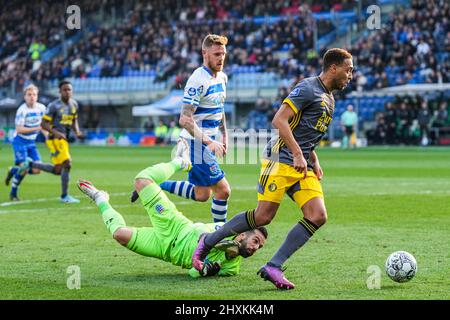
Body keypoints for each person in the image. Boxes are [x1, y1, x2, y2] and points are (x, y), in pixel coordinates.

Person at [192, 48, 354, 290]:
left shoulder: (329, 98)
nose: (351, 75)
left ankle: (273, 266)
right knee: (263, 217)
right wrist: (299, 154)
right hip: (280, 159)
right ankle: (207, 242)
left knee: (317, 216)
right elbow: (279, 120)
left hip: (302, 164)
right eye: (348, 69)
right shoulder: (308, 88)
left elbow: (305, 132)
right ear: (333, 67)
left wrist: (312, 158)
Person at [77, 158, 267, 277]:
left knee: (119, 234)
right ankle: (180, 162)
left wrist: (208, 271)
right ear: (242, 235)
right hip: (174, 226)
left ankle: (100, 198)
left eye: (259, 246)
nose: (256, 248)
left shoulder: (232, 268)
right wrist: (219, 247)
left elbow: (193, 273)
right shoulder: (220, 231)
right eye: (256, 241)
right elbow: (202, 238)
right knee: (142, 180)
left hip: (164, 250)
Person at [159, 34, 231, 223]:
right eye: (216, 54)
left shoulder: (222, 77)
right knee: (223, 191)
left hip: (209, 140)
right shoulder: (197, 80)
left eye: (223, 53)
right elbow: (185, 119)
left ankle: (157, 184)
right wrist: (209, 141)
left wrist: (225, 136)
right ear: (204, 53)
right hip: (195, 143)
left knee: (202, 194)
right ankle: (219, 234)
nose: (221, 58)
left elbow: (220, 109)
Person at [29, 80, 84, 203]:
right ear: (60, 91)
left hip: (63, 140)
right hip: (54, 139)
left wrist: (78, 132)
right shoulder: (54, 106)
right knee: (68, 163)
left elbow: (74, 120)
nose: (67, 92)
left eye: (69, 89)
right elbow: (43, 123)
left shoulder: (74, 104)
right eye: (64, 89)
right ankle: (64, 196)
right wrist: (56, 132)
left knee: (58, 170)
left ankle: (32, 165)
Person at [5, 84, 46, 201]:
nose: (32, 97)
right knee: (25, 169)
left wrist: (48, 137)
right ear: (25, 97)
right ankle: (13, 193)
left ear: (37, 96)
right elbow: (19, 129)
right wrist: (37, 128)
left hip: (31, 143)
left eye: (34, 94)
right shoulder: (22, 110)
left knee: (38, 170)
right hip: (20, 142)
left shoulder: (42, 108)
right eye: (29, 94)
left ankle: (13, 170)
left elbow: (44, 126)